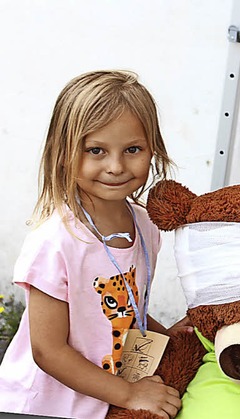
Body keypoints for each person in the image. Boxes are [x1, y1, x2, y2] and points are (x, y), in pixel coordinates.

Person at [0, 70, 183, 418]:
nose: (115, 167)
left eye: (133, 149)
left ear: (152, 149)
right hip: (41, 407)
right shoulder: (56, 242)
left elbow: (119, 310)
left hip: (101, 400)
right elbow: (48, 350)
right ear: (63, 153)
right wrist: (129, 394)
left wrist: (168, 336)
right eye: (96, 150)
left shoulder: (144, 226)